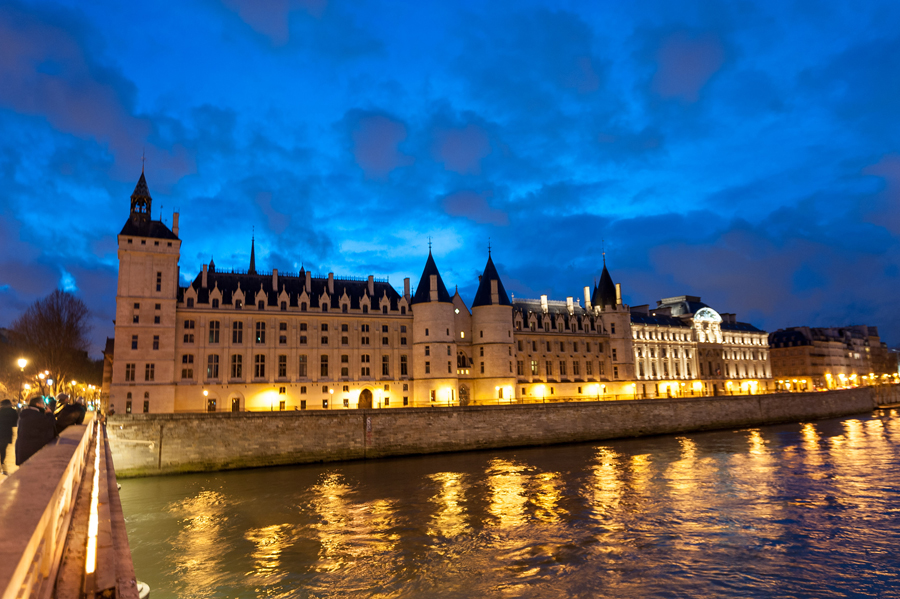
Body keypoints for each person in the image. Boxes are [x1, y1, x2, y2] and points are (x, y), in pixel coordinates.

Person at [15, 396, 55, 466]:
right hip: (31, 452)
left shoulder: (26, 414)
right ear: (38, 404)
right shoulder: (36, 415)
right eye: (43, 404)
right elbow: (51, 424)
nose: (44, 406)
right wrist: (49, 414)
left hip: (22, 451)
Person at [0, 399, 18, 475]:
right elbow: (15, 422)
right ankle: (3, 465)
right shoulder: (13, 412)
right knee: (3, 449)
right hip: (7, 433)